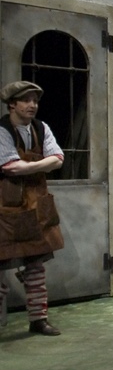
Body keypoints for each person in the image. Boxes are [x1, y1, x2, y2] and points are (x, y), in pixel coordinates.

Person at [0, 81, 65, 336]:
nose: (32, 105)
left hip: (36, 204)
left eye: (35, 101)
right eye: (26, 100)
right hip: (6, 208)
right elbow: (10, 167)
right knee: (1, 266)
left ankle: (38, 319)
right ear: (12, 104)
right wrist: (41, 165)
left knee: (36, 265)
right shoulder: (3, 130)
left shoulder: (41, 128)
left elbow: (58, 159)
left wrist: (27, 166)